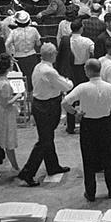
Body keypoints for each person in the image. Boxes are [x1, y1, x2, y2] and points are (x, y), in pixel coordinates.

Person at [62, 58, 111, 201]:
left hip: (88, 125)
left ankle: (91, 192)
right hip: (106, 124)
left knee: (88, 160)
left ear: (88, 71)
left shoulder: (82, 87)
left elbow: (65, 102)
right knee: (108, 159)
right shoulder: (109, 87)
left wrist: (76, 113)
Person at [17, 43, 73, 186]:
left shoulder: (38, 67)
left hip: (40, 104)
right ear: (53, 55)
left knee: (47, 138)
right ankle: (27, 172)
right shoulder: (49, 71)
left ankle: (52, 166)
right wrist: (69, 81)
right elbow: (66, 86)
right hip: (48, 106)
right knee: (44, 141)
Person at [0, 54, 21, 173]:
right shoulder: (5, 84)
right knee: (9, 141)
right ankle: (16, 167)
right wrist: (18, 96)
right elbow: (7, 103)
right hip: (5, 113)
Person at [5, 10, 41, 106]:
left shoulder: (13, 32)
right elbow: (38, 43)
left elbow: (6, 45)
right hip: (31, 57)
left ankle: (22, 105)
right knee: (31, 80)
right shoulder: (34, 30)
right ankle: (32, 104)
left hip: (18, 58)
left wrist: (10, 56)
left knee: (19, 82)